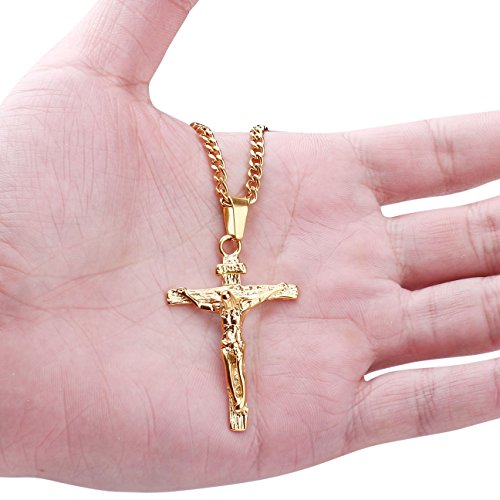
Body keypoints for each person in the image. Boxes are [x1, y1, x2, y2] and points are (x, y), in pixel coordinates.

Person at [0, 0, 499, 493]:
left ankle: (239, 409)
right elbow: (197, 297)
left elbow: (264, 292)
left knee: (237, 366)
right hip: (228, 340)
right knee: (233, 362)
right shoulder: (222, 297)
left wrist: (281, 290)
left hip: (234, 339)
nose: (234, 285)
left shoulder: (241, 294)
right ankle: (239, 411)